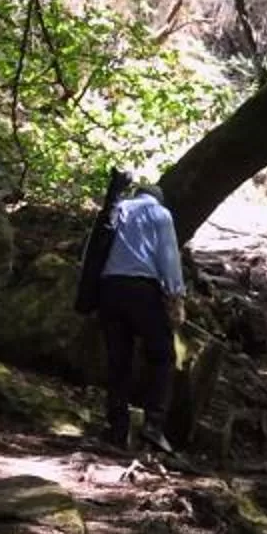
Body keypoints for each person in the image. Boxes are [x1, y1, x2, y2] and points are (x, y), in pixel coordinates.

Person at [96, 178, 186, 456]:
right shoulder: (160, 214)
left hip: (109, 289)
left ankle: (117, 429)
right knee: (162, 357)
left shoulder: (119, 208)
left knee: (118, 360)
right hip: (142, 291)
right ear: (157, 199)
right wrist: (176, 296)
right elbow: (169, 258)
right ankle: (154, 426)